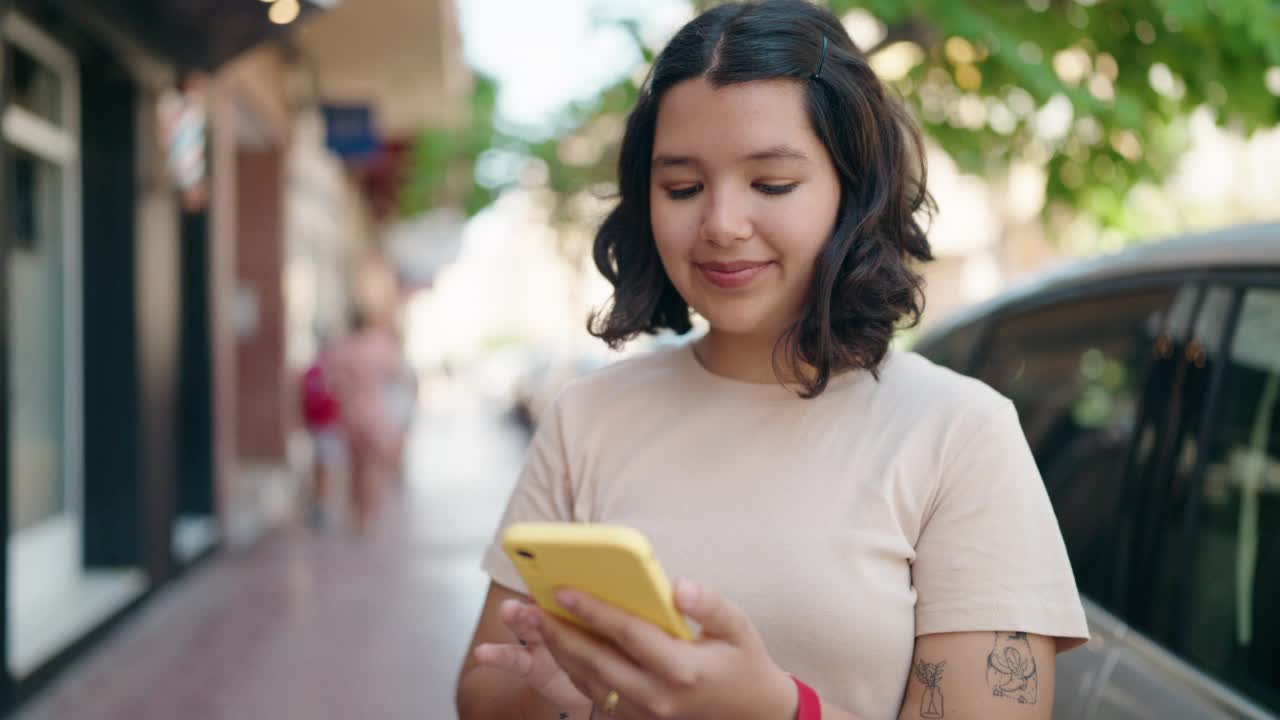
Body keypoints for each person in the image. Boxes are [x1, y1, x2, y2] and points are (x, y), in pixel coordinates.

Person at [456, 2, 1089, 718]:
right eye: (683, 188)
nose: (721, 223)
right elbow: (484, 688)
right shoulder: (587, 416)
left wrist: (777, 711)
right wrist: (579, 691)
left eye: (772, 184)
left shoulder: (960, 434)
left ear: (855, 192)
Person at [327, 309, 406, 533]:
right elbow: (398, 376)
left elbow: (332, 383)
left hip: (350, 413)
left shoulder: (342, 348)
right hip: (376, 413)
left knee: (354, 464)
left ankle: (356, 513)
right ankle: (369, 512)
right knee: (373, 466)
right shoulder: (380, 346)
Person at [299, 336, 344, 528]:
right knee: (325, 466)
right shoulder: (326, 372)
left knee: (321, 465)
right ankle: (322, 506)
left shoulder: (313, 372)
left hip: (318, 425)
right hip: (325, 425)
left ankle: (320, 504)